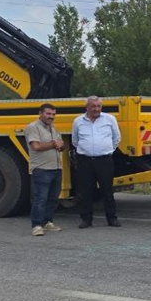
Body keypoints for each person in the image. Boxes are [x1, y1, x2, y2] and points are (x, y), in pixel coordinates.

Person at [71, 95, 122, 229]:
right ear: (87, 107)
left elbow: (116, 138)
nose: (96, 109)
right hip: (85, 160)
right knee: (85, 191)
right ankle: (86, 219)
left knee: (107, 190)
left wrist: (108, 149)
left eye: (98, 106)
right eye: (93, 106)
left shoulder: (110, 119)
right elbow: (75, 141)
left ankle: (112, 218)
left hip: (104, 160)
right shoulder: (78, 121)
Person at [24, 102, 64, 237]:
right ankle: (36, 225)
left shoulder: (53, 128)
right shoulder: (32, 127)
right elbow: (36, 146)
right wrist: (54, 144)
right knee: (40, 198)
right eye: (48, 113)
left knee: (53, 198)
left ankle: (47, 221)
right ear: (40, 113)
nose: (51, 116)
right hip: (42, 169)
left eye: (53, 114)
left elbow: (61, 145)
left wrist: (61, 145)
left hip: (56, 168)